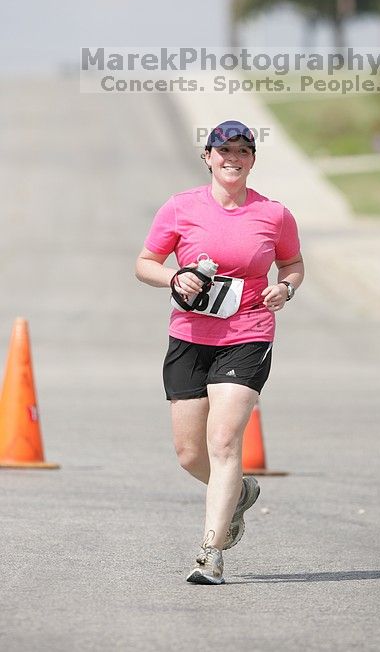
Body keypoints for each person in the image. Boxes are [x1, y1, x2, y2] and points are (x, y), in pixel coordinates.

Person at [135, 120, 304, 585]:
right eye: (223, 149)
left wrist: (284, 289)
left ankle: (210, 553)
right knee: (190, 453)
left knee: (224, 442)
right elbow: (144, 263)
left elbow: (292, 263)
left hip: (248, 333)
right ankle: (240, 493)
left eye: (243, 151)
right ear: (207, 157)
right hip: (190, 334)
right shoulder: (179, 208)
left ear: (252, 160)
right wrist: (173, 277)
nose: (232, 158)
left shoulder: (274, 215)